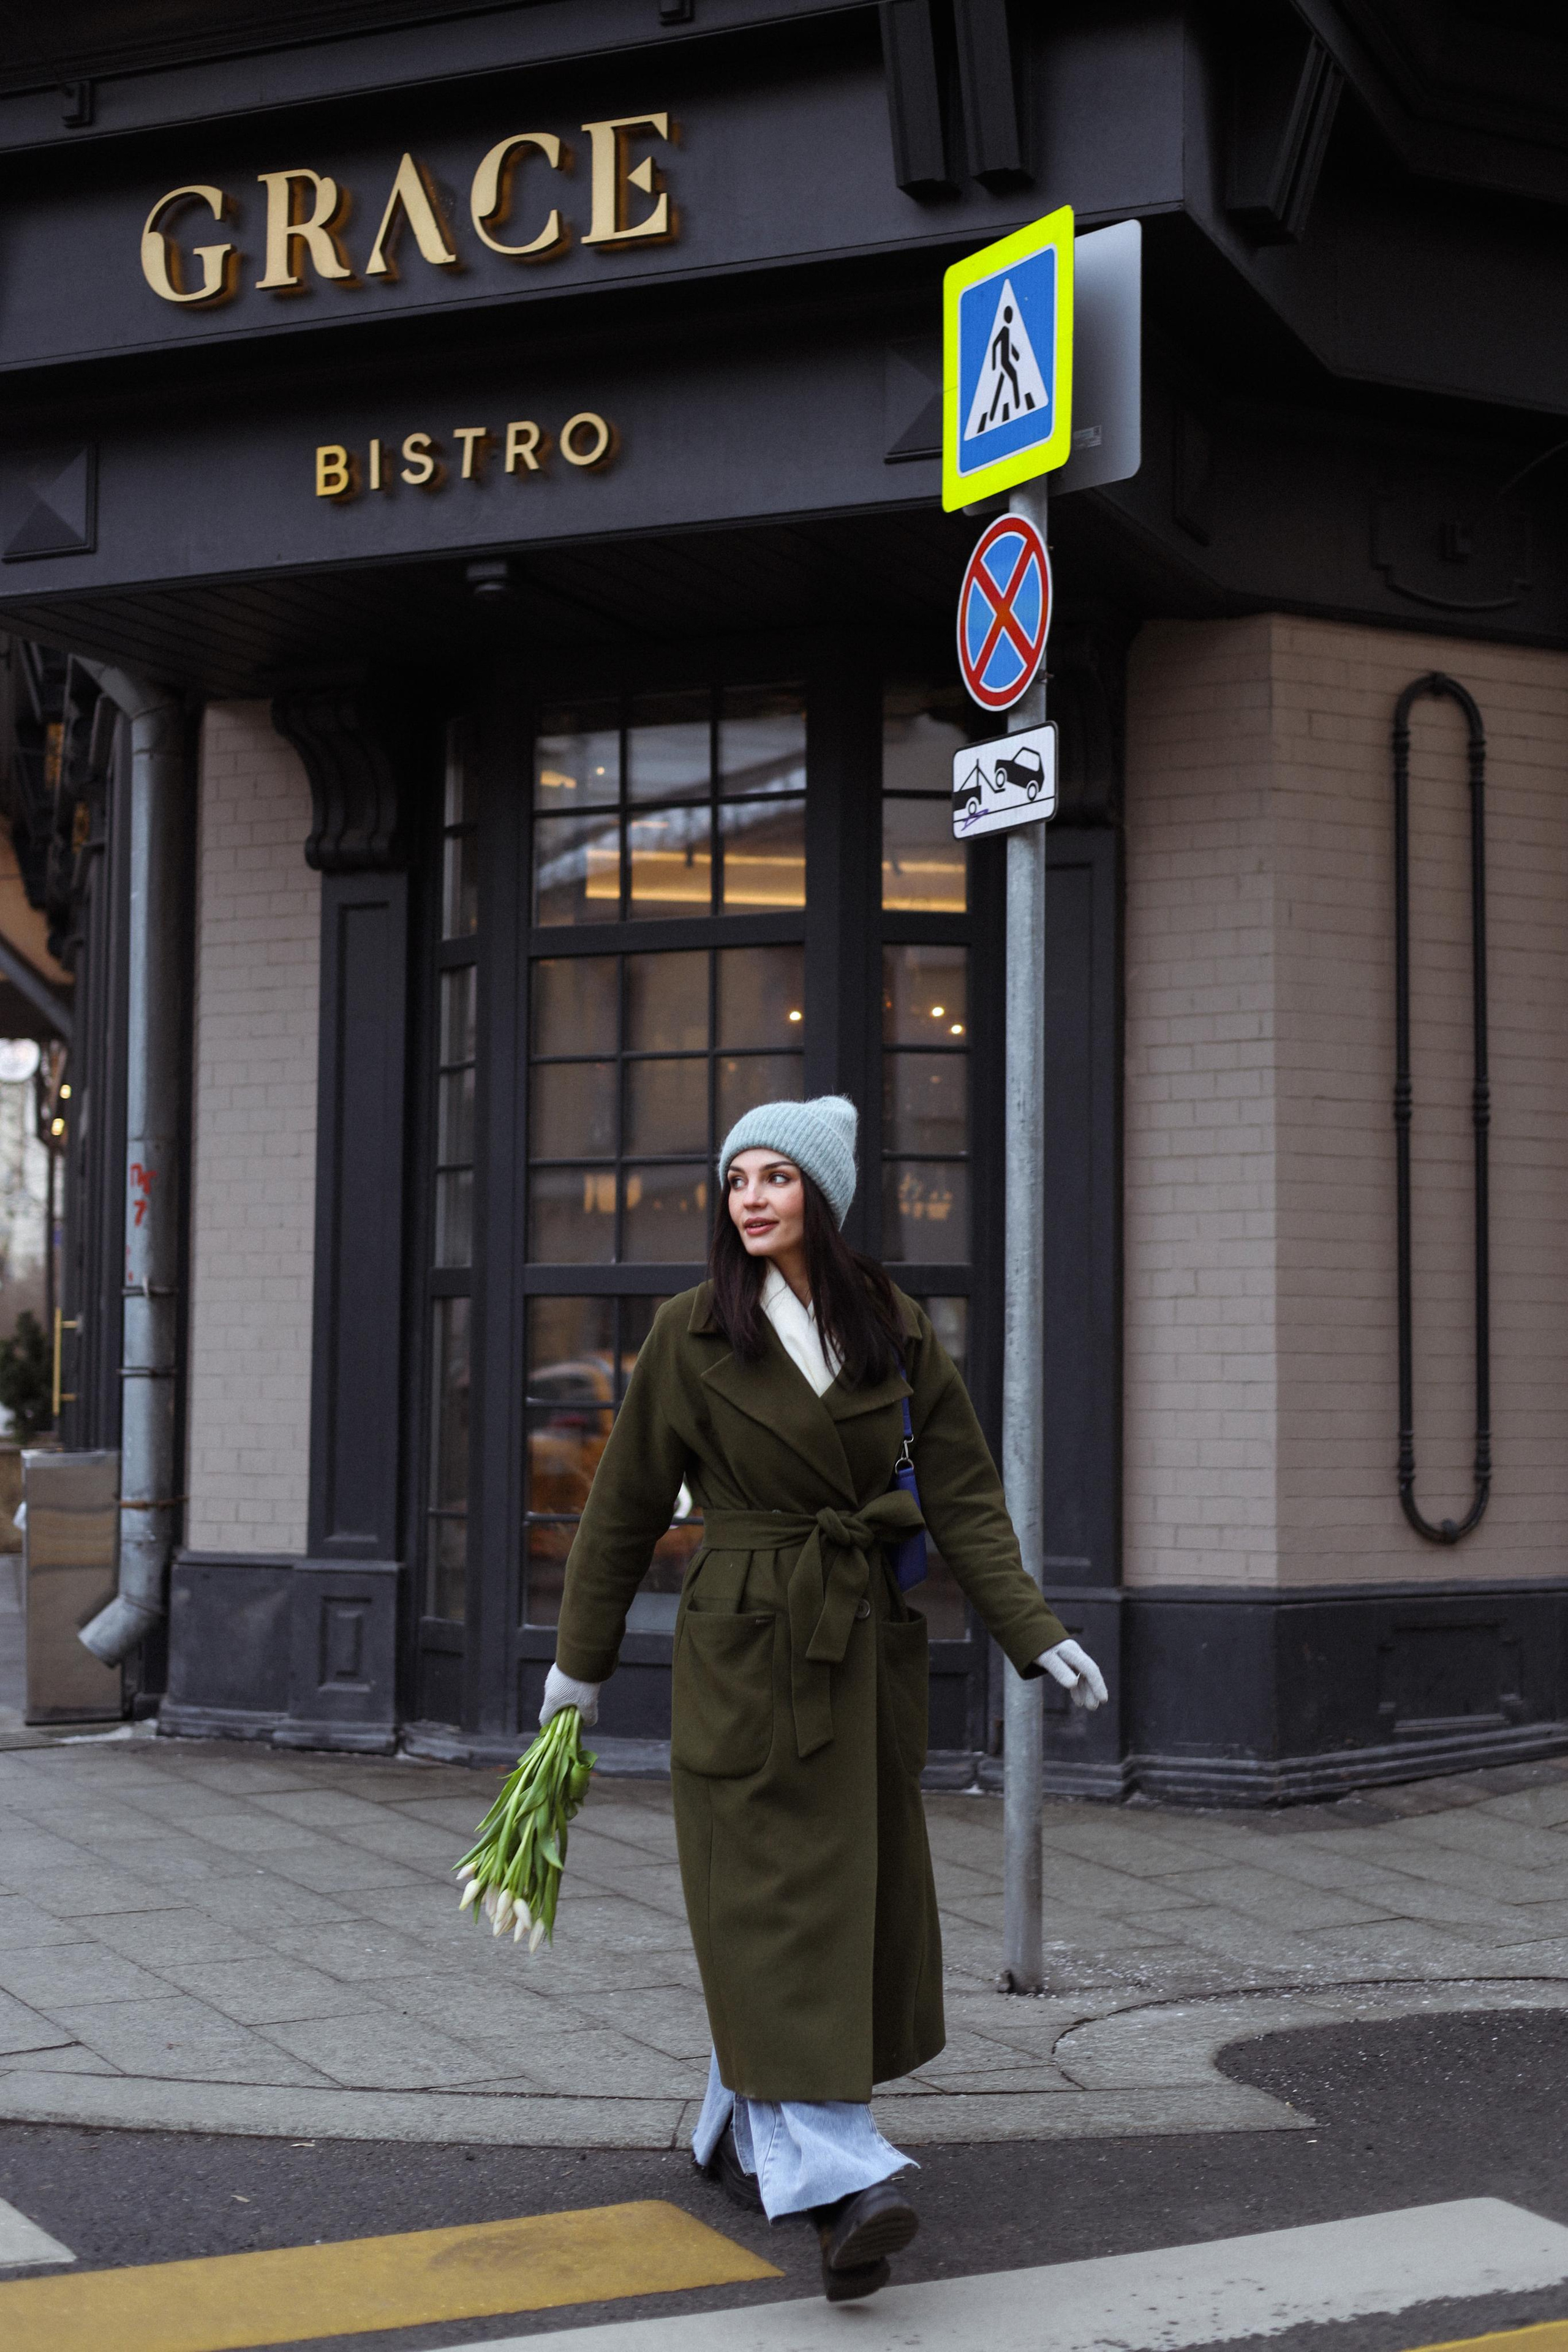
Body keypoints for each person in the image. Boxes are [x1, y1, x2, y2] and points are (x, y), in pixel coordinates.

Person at [540, 1095, 1107, 2302]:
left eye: (774, 1179)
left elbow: (959, 1491)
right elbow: (623, 1513)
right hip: (746, 1647)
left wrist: (1030, 1632)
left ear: (822, 1196)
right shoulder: (691, 1332)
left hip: (857, 1645)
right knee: (772, 1906)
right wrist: (576, 1669)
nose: (750, 1197)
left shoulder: (890, 1324)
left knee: (833, 1907)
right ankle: (843, 2187)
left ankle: (725, 2125)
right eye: (736, 1178)